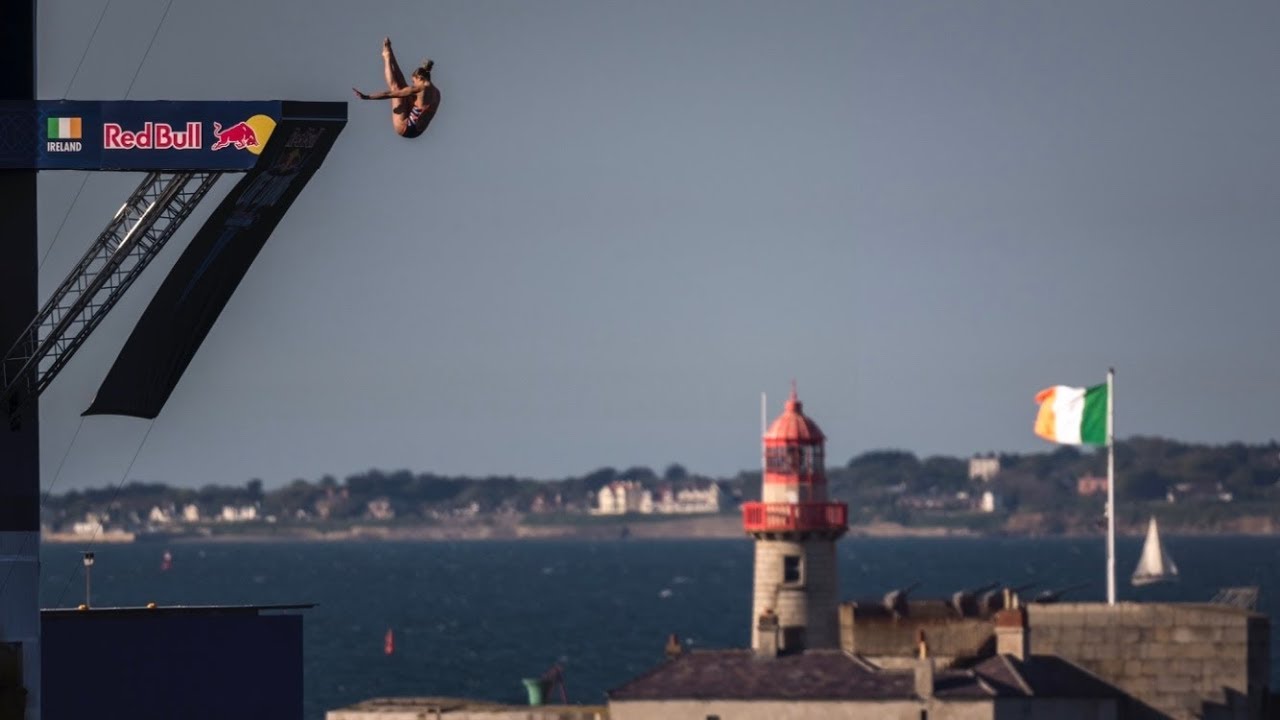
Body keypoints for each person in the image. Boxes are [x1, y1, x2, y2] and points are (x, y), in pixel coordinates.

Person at [353, 38, 440, 138]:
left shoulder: (420, 89)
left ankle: (387, 57)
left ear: (419, 78)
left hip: (406, 128)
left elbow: (389, 94)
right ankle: (390, 54)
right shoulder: (437, 93)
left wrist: (367, 97)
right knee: (404, 88)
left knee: (396, 89)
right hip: (417, 130)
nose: (413, 84)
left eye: (414, 81)